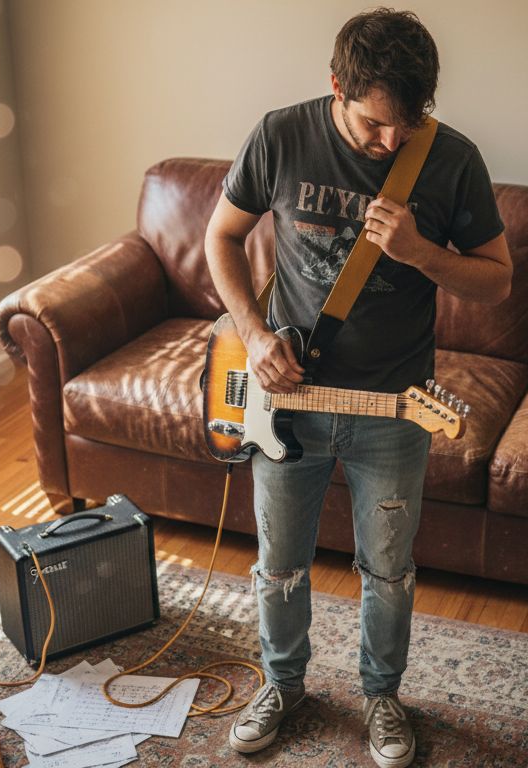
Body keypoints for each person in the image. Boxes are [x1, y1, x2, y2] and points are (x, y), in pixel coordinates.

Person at [203, 8, 511, 767]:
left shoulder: (451, 161)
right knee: (279, 566)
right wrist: (254, 332)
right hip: (287, 405)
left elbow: (499, 282)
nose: (390, 142)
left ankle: (382, 697)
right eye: (375, 125)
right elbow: (220, 238)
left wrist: (420, 252)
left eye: (407, 125)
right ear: (335, 85)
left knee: (389, 570)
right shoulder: (280, 136)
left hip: (394, 410)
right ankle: (283, 686)